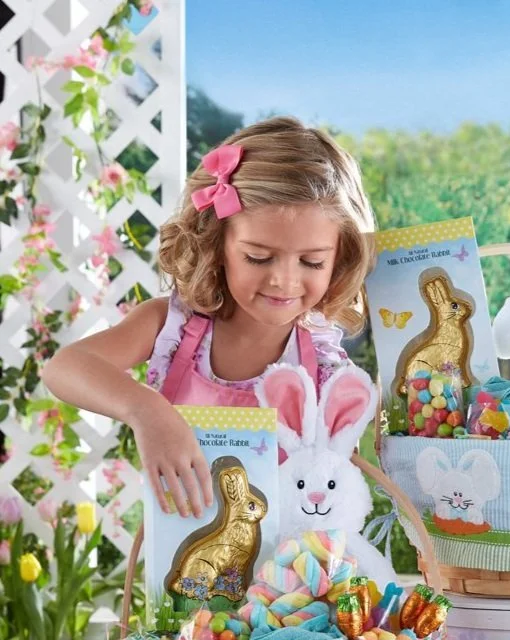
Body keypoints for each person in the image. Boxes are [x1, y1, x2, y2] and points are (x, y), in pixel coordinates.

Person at [43, 116, 375, 521]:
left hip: (289, 576)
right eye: (258, 257)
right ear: (217, 243)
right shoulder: (172, 328)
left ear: (339, 258)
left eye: (312, 261)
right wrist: (146, 410)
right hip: (178, 565)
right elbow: (64, 368)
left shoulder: (324, 365)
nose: (284, 281)